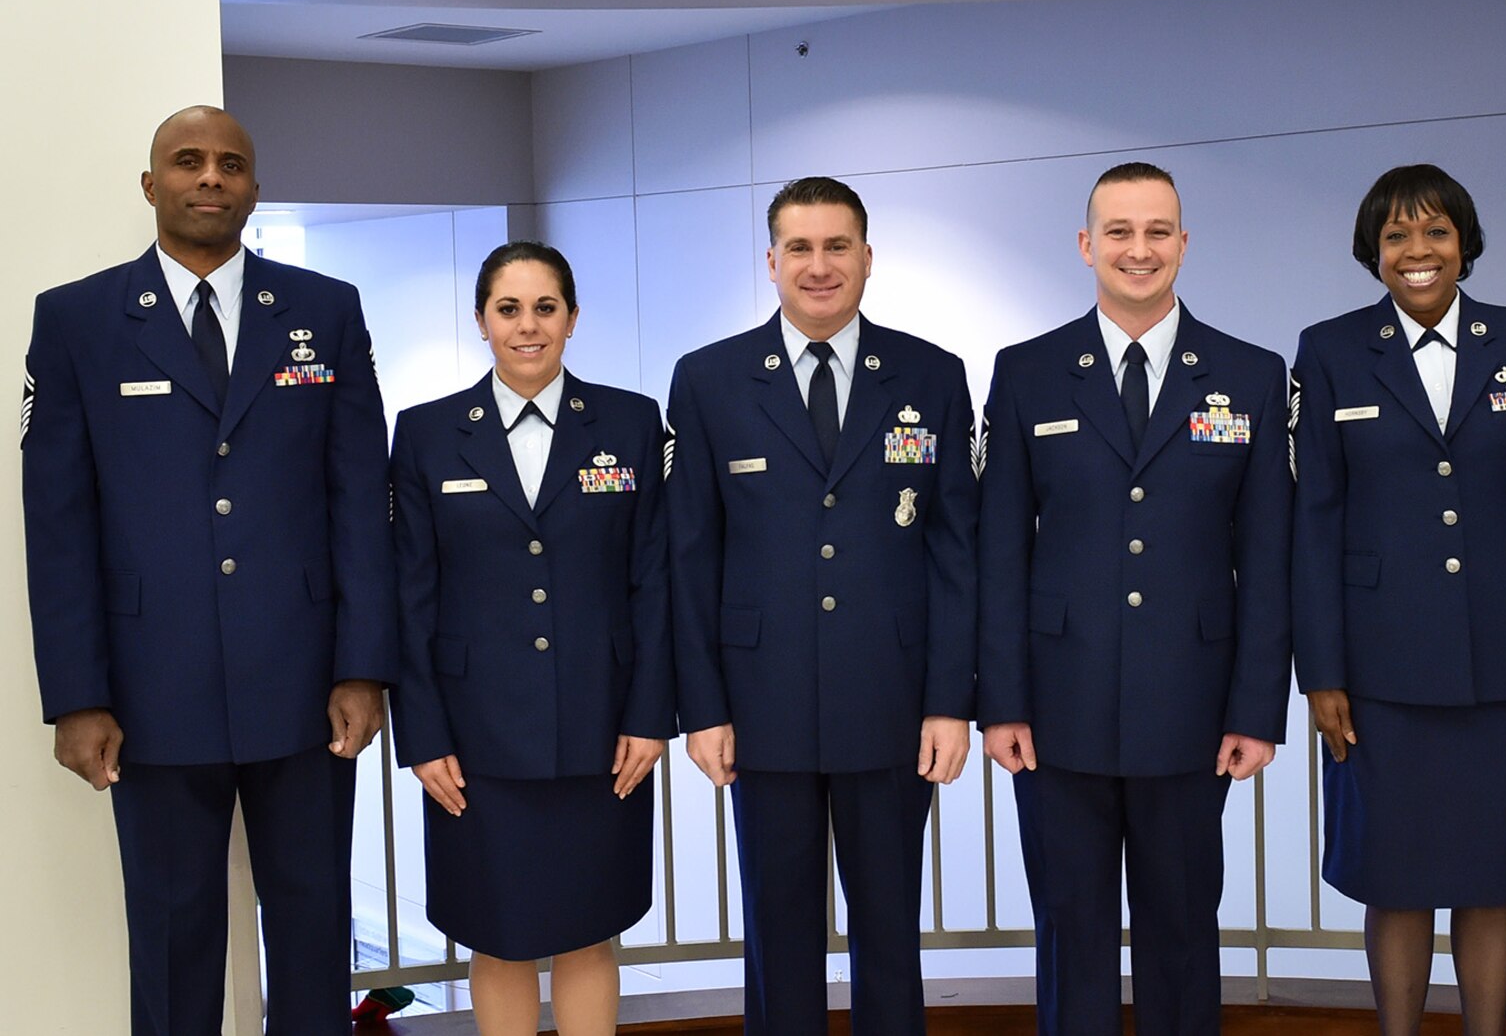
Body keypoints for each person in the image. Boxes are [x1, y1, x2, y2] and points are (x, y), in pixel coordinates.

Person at [20, 105, 396, 1036]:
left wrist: (363, 666)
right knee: (173, 930)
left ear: (255, 189)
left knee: (313, 927)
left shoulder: (325, 310)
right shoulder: (75, 319)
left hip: (307, 684)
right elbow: (57, 521)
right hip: (151, 693)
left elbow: (360, 499)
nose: (210, 177)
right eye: (187, 161)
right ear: (151, 184)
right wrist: (78, 694)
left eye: (231, 163)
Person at [979, 161, 1291, 1035]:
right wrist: (999, 699)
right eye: (1118, 231)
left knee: (1184, 928)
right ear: (1087, 245)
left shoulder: (1252, 374)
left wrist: (1258, 708)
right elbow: (999, 552)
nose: (1139, 249)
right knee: (1070, 932)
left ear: (1184, 244)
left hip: (1195, 712)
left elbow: (1267, 558)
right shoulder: (1027, 373)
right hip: (1054, 708)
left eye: (1157, 231)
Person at [666, 177, 978, 1034]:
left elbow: (957, 553)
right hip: (761, 709)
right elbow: (689, 556)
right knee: (778, 928)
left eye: (837, 246)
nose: (819, 265)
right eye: (799, 248)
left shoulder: (932, 375)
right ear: (771, 262)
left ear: (868, 257)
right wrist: (705, 707)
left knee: (890, 928)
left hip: (893, 701)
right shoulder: (709, 379)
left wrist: (952, 700)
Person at [1290, 165, 1506, 1036]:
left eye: (1435, 232)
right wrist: (1323, 670)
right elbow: (1312, 521)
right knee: (1395, 875)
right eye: (1395, 236)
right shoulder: (1330, 350)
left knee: (1492, 871)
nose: (1417, 251)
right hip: (1379, 674)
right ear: (1372, 252)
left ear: (1464, 243)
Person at [389, 241, 672, 1036]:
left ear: (573, 318)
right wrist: (423, 733)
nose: (528, 326)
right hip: (474, 737)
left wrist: (651, 715)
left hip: (603, 725)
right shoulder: (425, 433)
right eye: (508, 308)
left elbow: (654, 581)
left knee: (590, 926)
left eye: (545, 307)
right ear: (481, 319)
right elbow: (409, 596)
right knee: (498, 933)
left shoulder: (631, 421)